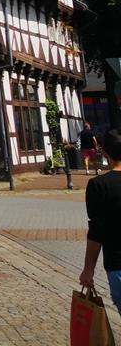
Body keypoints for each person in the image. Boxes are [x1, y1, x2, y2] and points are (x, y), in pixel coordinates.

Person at [81, 129, 121, 309]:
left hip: (117, 264)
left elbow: (96, 232)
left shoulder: (99, 185)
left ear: (104, 153)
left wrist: (88, 270)